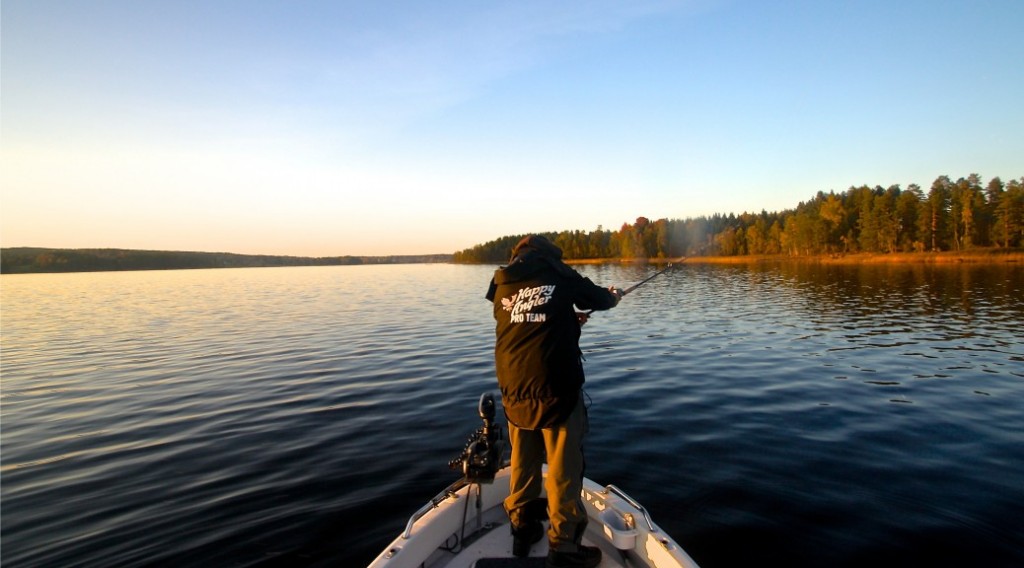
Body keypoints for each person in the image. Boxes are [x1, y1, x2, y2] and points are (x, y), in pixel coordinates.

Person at [485, 235, 622, 568]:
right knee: (563, 468)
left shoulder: (501, 281)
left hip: (513, 387)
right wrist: (613, 297)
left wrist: (564, 319)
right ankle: (563, 548)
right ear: (548, 255)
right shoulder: (557, 272)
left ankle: (523, 527)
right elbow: (599, 299)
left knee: (524, 460)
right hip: (554, 387)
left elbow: (522, 321)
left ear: (518, 255)